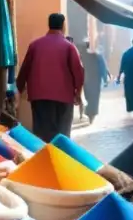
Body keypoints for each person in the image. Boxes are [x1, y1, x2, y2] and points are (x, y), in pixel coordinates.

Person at [16, 13, 84, 141]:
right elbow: (78, 71)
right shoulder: (69, 47)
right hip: (63, 97)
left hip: (39, 97)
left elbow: (24, 69)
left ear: (49, 25)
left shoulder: (35, 45)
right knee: (62, 135)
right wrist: (78, 93)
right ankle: (60, 158)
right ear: (63, 26)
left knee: (42, 135)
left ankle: (44, 158)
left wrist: (19, 89)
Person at [79, 38, 107, 124]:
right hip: (95, 80)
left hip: (86, 80)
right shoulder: (97, 55)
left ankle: (90, 113)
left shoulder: (81, 56)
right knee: (94, 98)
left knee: (88, 97)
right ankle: (92, 114)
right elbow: (102, 68)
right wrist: (105, 79)